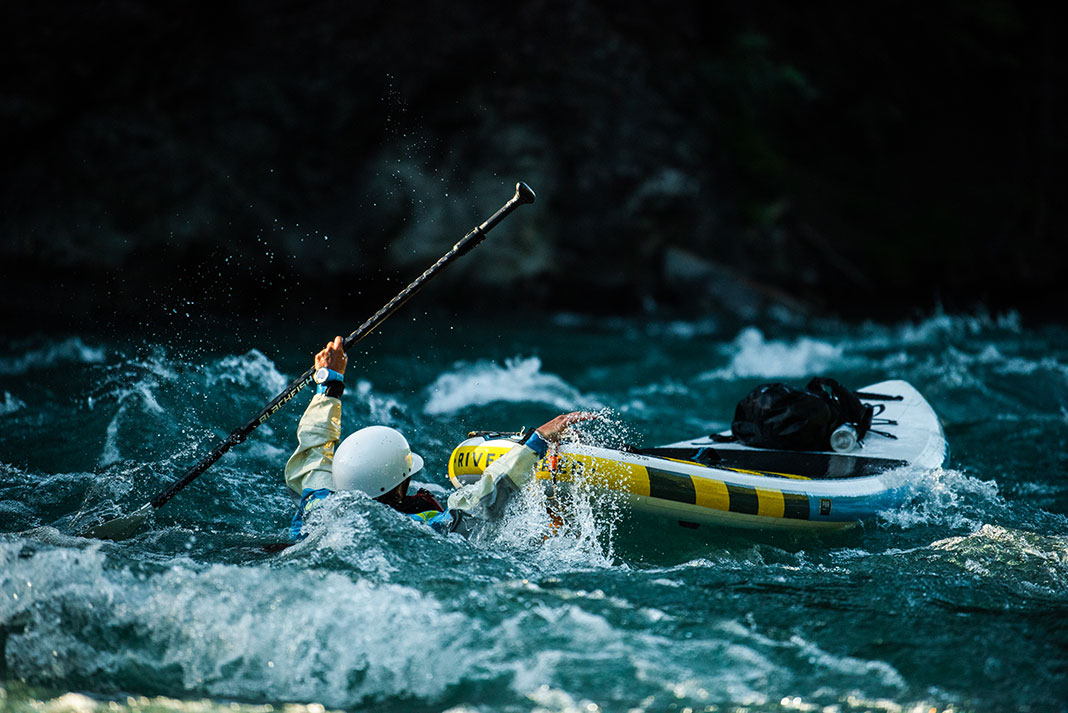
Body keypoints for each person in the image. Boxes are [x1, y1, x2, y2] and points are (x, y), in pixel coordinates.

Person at [283, 336, 593, 539]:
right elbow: (484, 499)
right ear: (399, 485)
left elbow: (313, 448)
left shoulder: (319, 499)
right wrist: (538, 440)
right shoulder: (421, 530)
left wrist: (329, 382)